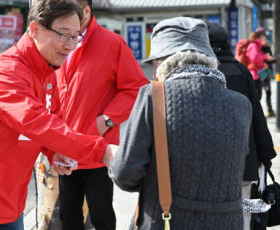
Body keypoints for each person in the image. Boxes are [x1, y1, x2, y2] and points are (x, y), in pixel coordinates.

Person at [0, 0, 116, 229]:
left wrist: (54, 152)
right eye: (63, 34)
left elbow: (53, 119)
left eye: (75, 36)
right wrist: (102, 150)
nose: (70, 45)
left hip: (9, 190)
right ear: (34, 29)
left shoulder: (48, 71)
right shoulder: (6, 72)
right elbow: (35, 122)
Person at [110, 17, 252, 230]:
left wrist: (112, 158)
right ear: (208, 58)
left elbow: (126, 175)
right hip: (228, 222)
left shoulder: (153, 96)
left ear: (161, 61)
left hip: (169, 221)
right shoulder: (241, 104)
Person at [46, 0, 148, 229]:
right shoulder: (58, 41)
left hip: (98, 151)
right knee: (68, 218)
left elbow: (136, 88)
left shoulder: (112, 44)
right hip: (65, 149)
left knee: (102, 217)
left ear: (86, 11)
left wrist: (107, 120)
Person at [206, 21, 277, 230]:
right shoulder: (241, 71)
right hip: (244, 163)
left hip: (208, 166)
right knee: (243, 215)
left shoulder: (199, 74)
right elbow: (258, 119)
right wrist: (265, 157)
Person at [245, 28, 276, 101]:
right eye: (264, 35)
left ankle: (266, 110)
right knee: (257, 96)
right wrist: (265, 58)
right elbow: (254, 58)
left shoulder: (257, 45)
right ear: (260, 36)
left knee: (260, 94)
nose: (265, 37)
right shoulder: (254, 45)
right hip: (254, 74)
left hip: (258, 73)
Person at [260, 28, 276, 117]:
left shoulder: (267, 47)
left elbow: (271, 60)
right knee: (259, 93)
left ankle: (270, 110)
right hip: (259, 73)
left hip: (266, 73)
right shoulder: (259, 47)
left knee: (268, 92)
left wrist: (274, 59)